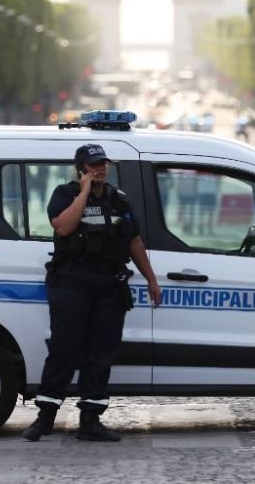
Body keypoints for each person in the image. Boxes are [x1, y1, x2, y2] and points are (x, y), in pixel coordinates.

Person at [22, 144, 162, 443]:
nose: (100, 169)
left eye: (103, 164)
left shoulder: (119, 199)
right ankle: (45, 418)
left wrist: (152, 279)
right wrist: (84, 192)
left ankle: (90, 420)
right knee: (64, 348)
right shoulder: (65, 194)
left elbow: (134, 242)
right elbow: (63, 227)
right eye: (94, 164)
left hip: (109, 285)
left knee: (101, 353)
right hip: (72, 283)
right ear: (81, 169)